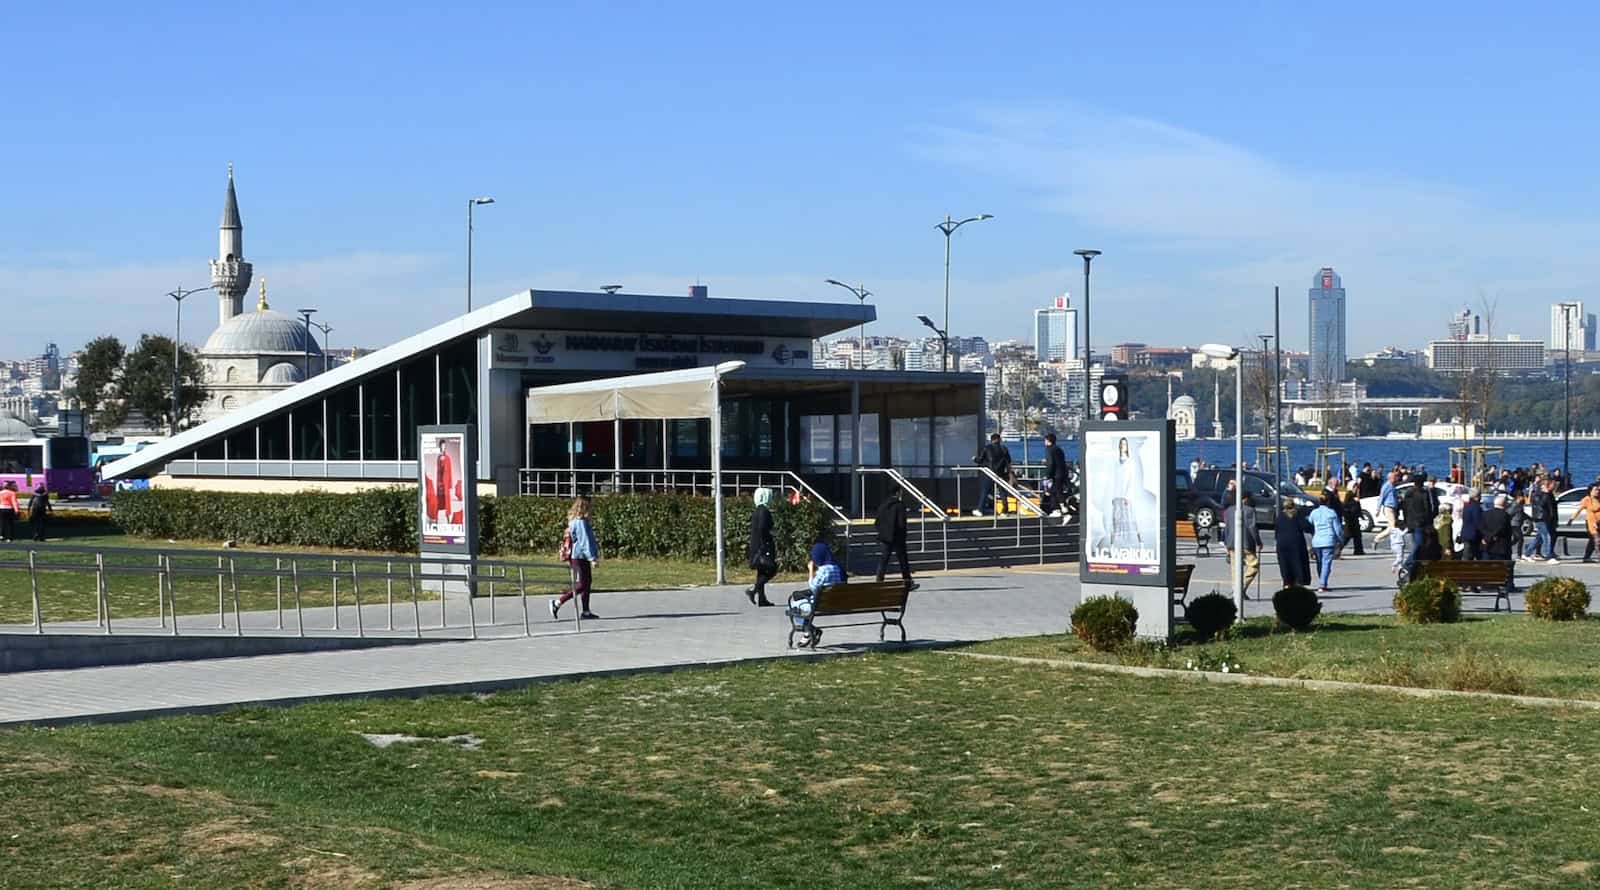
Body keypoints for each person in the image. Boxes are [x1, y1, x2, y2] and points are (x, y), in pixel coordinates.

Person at [549, 495, 600, 620]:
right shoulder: (580, 522)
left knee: (587, 583)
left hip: (581, 556)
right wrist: (592, 557)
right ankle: (557, 602)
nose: (592, 509)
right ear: (584, 507)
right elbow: (584, 541)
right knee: (582, 584)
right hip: (579, 556)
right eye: (590, 506)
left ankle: (586, 611)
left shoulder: (578, 521)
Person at [873, 491, 918, 589]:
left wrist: (883, 532)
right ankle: (908, 583)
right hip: (898, 538)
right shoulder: (900, 505)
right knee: (903, 562)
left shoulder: (883, 505)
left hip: (886, 537)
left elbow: (877, 522)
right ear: (897, 493)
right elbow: (902, 523)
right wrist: (903, 535)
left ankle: (879, 582)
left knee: (883, 560)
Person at [1222, 492, 1261, 597]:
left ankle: (1236, 590)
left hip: (1231, 542)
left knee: (1235, 569)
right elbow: (1252, 527)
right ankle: (1241, 588)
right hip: (1246, 543)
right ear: (1244, 499)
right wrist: (1258, 542)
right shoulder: (1250, 510)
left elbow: (1226, 528)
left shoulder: (1229, 510)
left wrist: (1226, 542)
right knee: (1254, 565)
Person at [745, 487, 778, 607]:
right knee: (772, 569)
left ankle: (762, 599)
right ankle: (753, 589)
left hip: (756, 546)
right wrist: (769, 538)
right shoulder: (764, 511)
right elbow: (763, 528)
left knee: (762, 571)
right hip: (763, 546)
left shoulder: (757, 510)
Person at [1402, 474, 1437, 576]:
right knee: (1419, 545)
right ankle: (1409, 563)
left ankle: (1413, 566)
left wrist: (1406, 521)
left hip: (1412, 523)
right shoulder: (1423, 493)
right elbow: (1428, 509)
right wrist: (1429, 522)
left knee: (1418, 545)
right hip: (1420, 523)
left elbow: (1404, 508)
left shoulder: (1408, 493)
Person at [1274, 499, 1313, 588]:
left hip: (1282, 543)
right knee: (1298, 563)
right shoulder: (1297, 515)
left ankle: (1287, 582)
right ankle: (1298, 581)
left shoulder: (1279, 516)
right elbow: (1306, 526)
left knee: (1284, 563)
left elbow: (1276, 530)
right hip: (1295, 543)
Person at [1308, 493, 1343, 593]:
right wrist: (1341, 539)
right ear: (1328, 502)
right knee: (1326, 562)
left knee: (1319, 562)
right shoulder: (1331, 513)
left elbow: (1310, 522)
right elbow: (1337, 529)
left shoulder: (1314, 512)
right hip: (1328, 540)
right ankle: (1323, 584)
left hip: (1317, 541)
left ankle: (1321, 580)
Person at [972, 433, 1012, 516]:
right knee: (1002, 492)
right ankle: (1005, 511)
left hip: (990, 473)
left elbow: (980, 460)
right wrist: (1009, 473)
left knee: (985, 491)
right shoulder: (1004, 448)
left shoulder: (987, 448)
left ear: (991, 440)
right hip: (1001, 473)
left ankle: (980, 509)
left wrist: (974, 459)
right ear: (999, 440)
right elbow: (1008, 461)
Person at [1525, 477, 1558, 563]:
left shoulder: (1550, 494)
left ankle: (1527, 553)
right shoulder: (1538, 494)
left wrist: (1554, 519)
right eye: (1552, 485)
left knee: (1539, 538)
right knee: (1546, 536)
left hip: (1548, 518)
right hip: (1540, 518)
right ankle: (1548, 556)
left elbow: (1553, 508)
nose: (1554, 487)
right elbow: (1540, 505)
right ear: (1545, 486)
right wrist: (1545, 494)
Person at [1478, 494, 1514, 563]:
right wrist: (1491, 536)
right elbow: (1501, 528)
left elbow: (1481, 527)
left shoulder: (1485, 514)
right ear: (1504, 504)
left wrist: (1487, 537)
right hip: (1500, 548)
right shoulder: (1505, 515)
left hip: (1486, 545)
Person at [1042, 433, 1069, 518]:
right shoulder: (1059, 449)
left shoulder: (1049, 450)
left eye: (1045, 440)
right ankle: (1061, 508)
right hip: (1062, 473)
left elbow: (1051, 463)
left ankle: (1060, 509)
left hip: (1055, 474)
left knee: (1055, 492)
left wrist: (1048, 475)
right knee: (1056, 491)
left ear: (1048, 441)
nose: (1044, 442)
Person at [1573, 484, 1600, 563]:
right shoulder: (1587, 500)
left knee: (1592, 541)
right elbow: (1579, 510)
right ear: (1590, 491)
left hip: (1599, 522)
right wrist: (1572, 519)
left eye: (1598, 490)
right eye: (1595, 490)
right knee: (1597, 539)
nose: (1597, 491)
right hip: (1591, 523)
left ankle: (1586, 557)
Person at [1338, 485, 1364, 557]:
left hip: (1355, 519)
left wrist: (1361, 515)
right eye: (1355, 488)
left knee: (1357, 536)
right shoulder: (1349, 494)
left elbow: (1358, 508)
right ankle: (1337, 549)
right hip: (1349, 519)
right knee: (1347, 536)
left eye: (1357, 488)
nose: (1356, 489)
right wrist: (1354, 501)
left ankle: (1359, 550)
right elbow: (1346, 505)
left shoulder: (1356, 497)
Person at [1457, 490, 1483, 560]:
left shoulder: (1467, 506)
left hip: (1466, 534)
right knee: (1471, 556)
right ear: (1476, 497)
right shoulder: (1476, 507)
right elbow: (1478, 522)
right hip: (1473, 535)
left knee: (1466, 555)